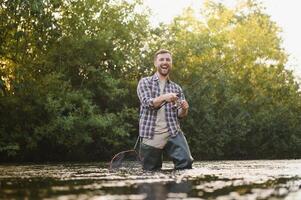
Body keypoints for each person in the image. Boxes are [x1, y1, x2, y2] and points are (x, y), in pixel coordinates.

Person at [137, 49, 193, 170]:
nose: (165, 62)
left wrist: (184, 109)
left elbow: (181, 115)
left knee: (186, 163)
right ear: (155, 63)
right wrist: (165, 97)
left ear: (171, 63)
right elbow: (148, 103)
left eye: (168, 59)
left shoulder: (176, 88)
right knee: (150, 173)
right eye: (161, 59)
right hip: (150, 134)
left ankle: (178, 188)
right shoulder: (144, 82)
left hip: (173, 132)